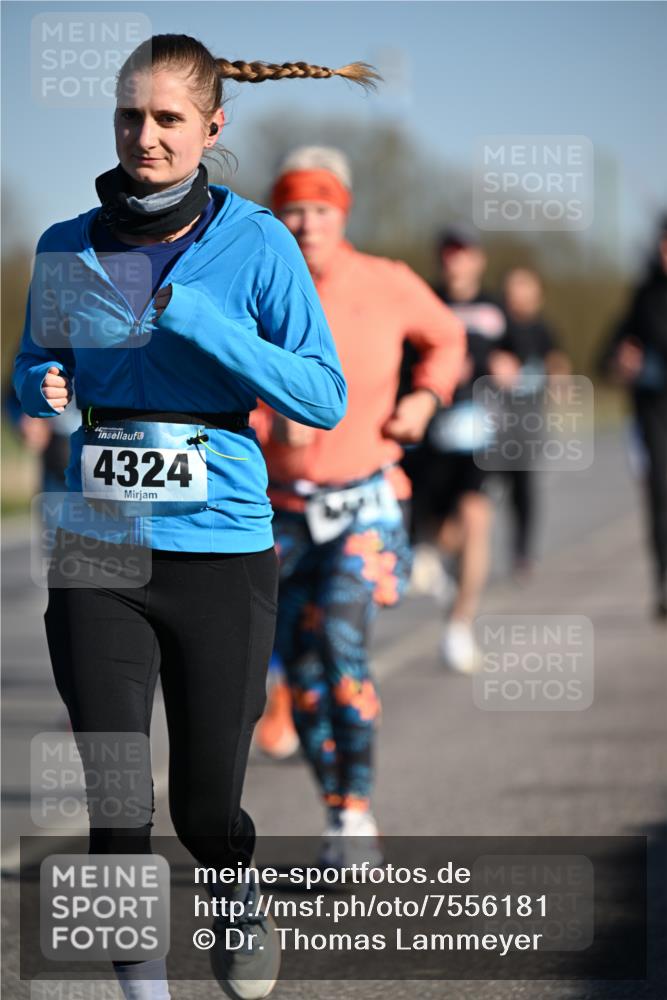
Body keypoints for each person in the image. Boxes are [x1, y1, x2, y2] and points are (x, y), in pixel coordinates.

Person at [13, 34, 381, 1000]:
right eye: (131, 116)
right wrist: (37, 387)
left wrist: (206, 323)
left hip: (219, 547)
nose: (146, 135)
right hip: (97, 546)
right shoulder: (65, 244)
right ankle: (145, 987)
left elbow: (323, 393)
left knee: (204, 807)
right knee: (117, 799)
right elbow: (28, 365)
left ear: (211, 129)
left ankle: (233, 887)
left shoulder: (254, 241)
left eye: (168, 118)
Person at [251, 147, 465, 863]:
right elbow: (211, 372)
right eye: (292, 208)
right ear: (276, 213)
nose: (306, 222)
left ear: (341, 212)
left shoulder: (387, 282)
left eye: (320, 208)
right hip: (279, 512)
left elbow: (447, 336)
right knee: (301, 672)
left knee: (340, 640)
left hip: (365, 501)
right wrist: (260, 420)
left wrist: (423, 397)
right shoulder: (249, 286)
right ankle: (340, 812)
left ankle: (361, 811)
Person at [401, 224, 517, 673]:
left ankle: (459, 625)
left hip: (482, 439)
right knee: (440, 535)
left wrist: (511, 369)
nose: (456, 260)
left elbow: (524, 358)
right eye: (448, 252)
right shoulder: (423, 303)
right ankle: (432, 557)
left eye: (464, 252)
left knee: (477, 517)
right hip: (431, 441)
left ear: (478, 259)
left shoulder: (495, 309)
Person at [598, 214, 667, 620]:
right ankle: (663, 579)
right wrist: (620, 360)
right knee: (660, 495)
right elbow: (608, 352)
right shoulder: (644, 296)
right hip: (654, 413)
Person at [499, 267, 571, 577]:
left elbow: (557, 360)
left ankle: (522, 552)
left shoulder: (543, 329)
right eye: (514, 288)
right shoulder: (497, 327)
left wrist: (560, 380)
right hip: (494, 421)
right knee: (482, 489)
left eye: (525, 288)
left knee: (523, 489)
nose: (519, 295)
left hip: (527, 421)